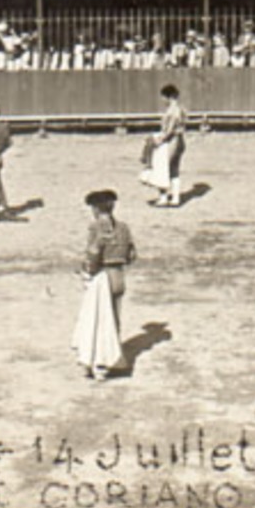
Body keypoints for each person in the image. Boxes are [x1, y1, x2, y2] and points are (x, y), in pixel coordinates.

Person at [72, 189, 137, 379]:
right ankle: (112, 359)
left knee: (98, 320)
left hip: (102, 276)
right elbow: (132, 255)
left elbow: (93, 253)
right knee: (114, 320)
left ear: (95, 209)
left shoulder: (96, 228)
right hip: (119, 276)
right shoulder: (124, 228)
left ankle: (99, 364)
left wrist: (88, 272)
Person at [139, 83, 188, 207]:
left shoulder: (173, 110)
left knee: (162, 168)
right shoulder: (181, 109)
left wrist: (160, 140)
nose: (163, 100)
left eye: (164, 97)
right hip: (180, 140)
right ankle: (176, 198)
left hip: (172, 141)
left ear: (169, 96)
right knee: (174, 169)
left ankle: (163, 198)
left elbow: (170, 130)